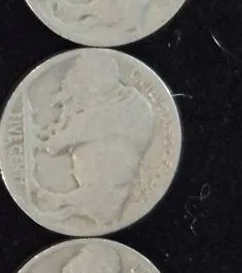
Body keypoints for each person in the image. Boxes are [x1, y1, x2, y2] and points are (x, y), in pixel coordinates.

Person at [32, 51, 155, 227]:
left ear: (94, 82)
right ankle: (63, 201)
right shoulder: (130, 102)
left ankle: (62, 201)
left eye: (80, 77)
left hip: (106, 186)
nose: (71, 81)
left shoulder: (102, 116)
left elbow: (54, 145)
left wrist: (42, 140)